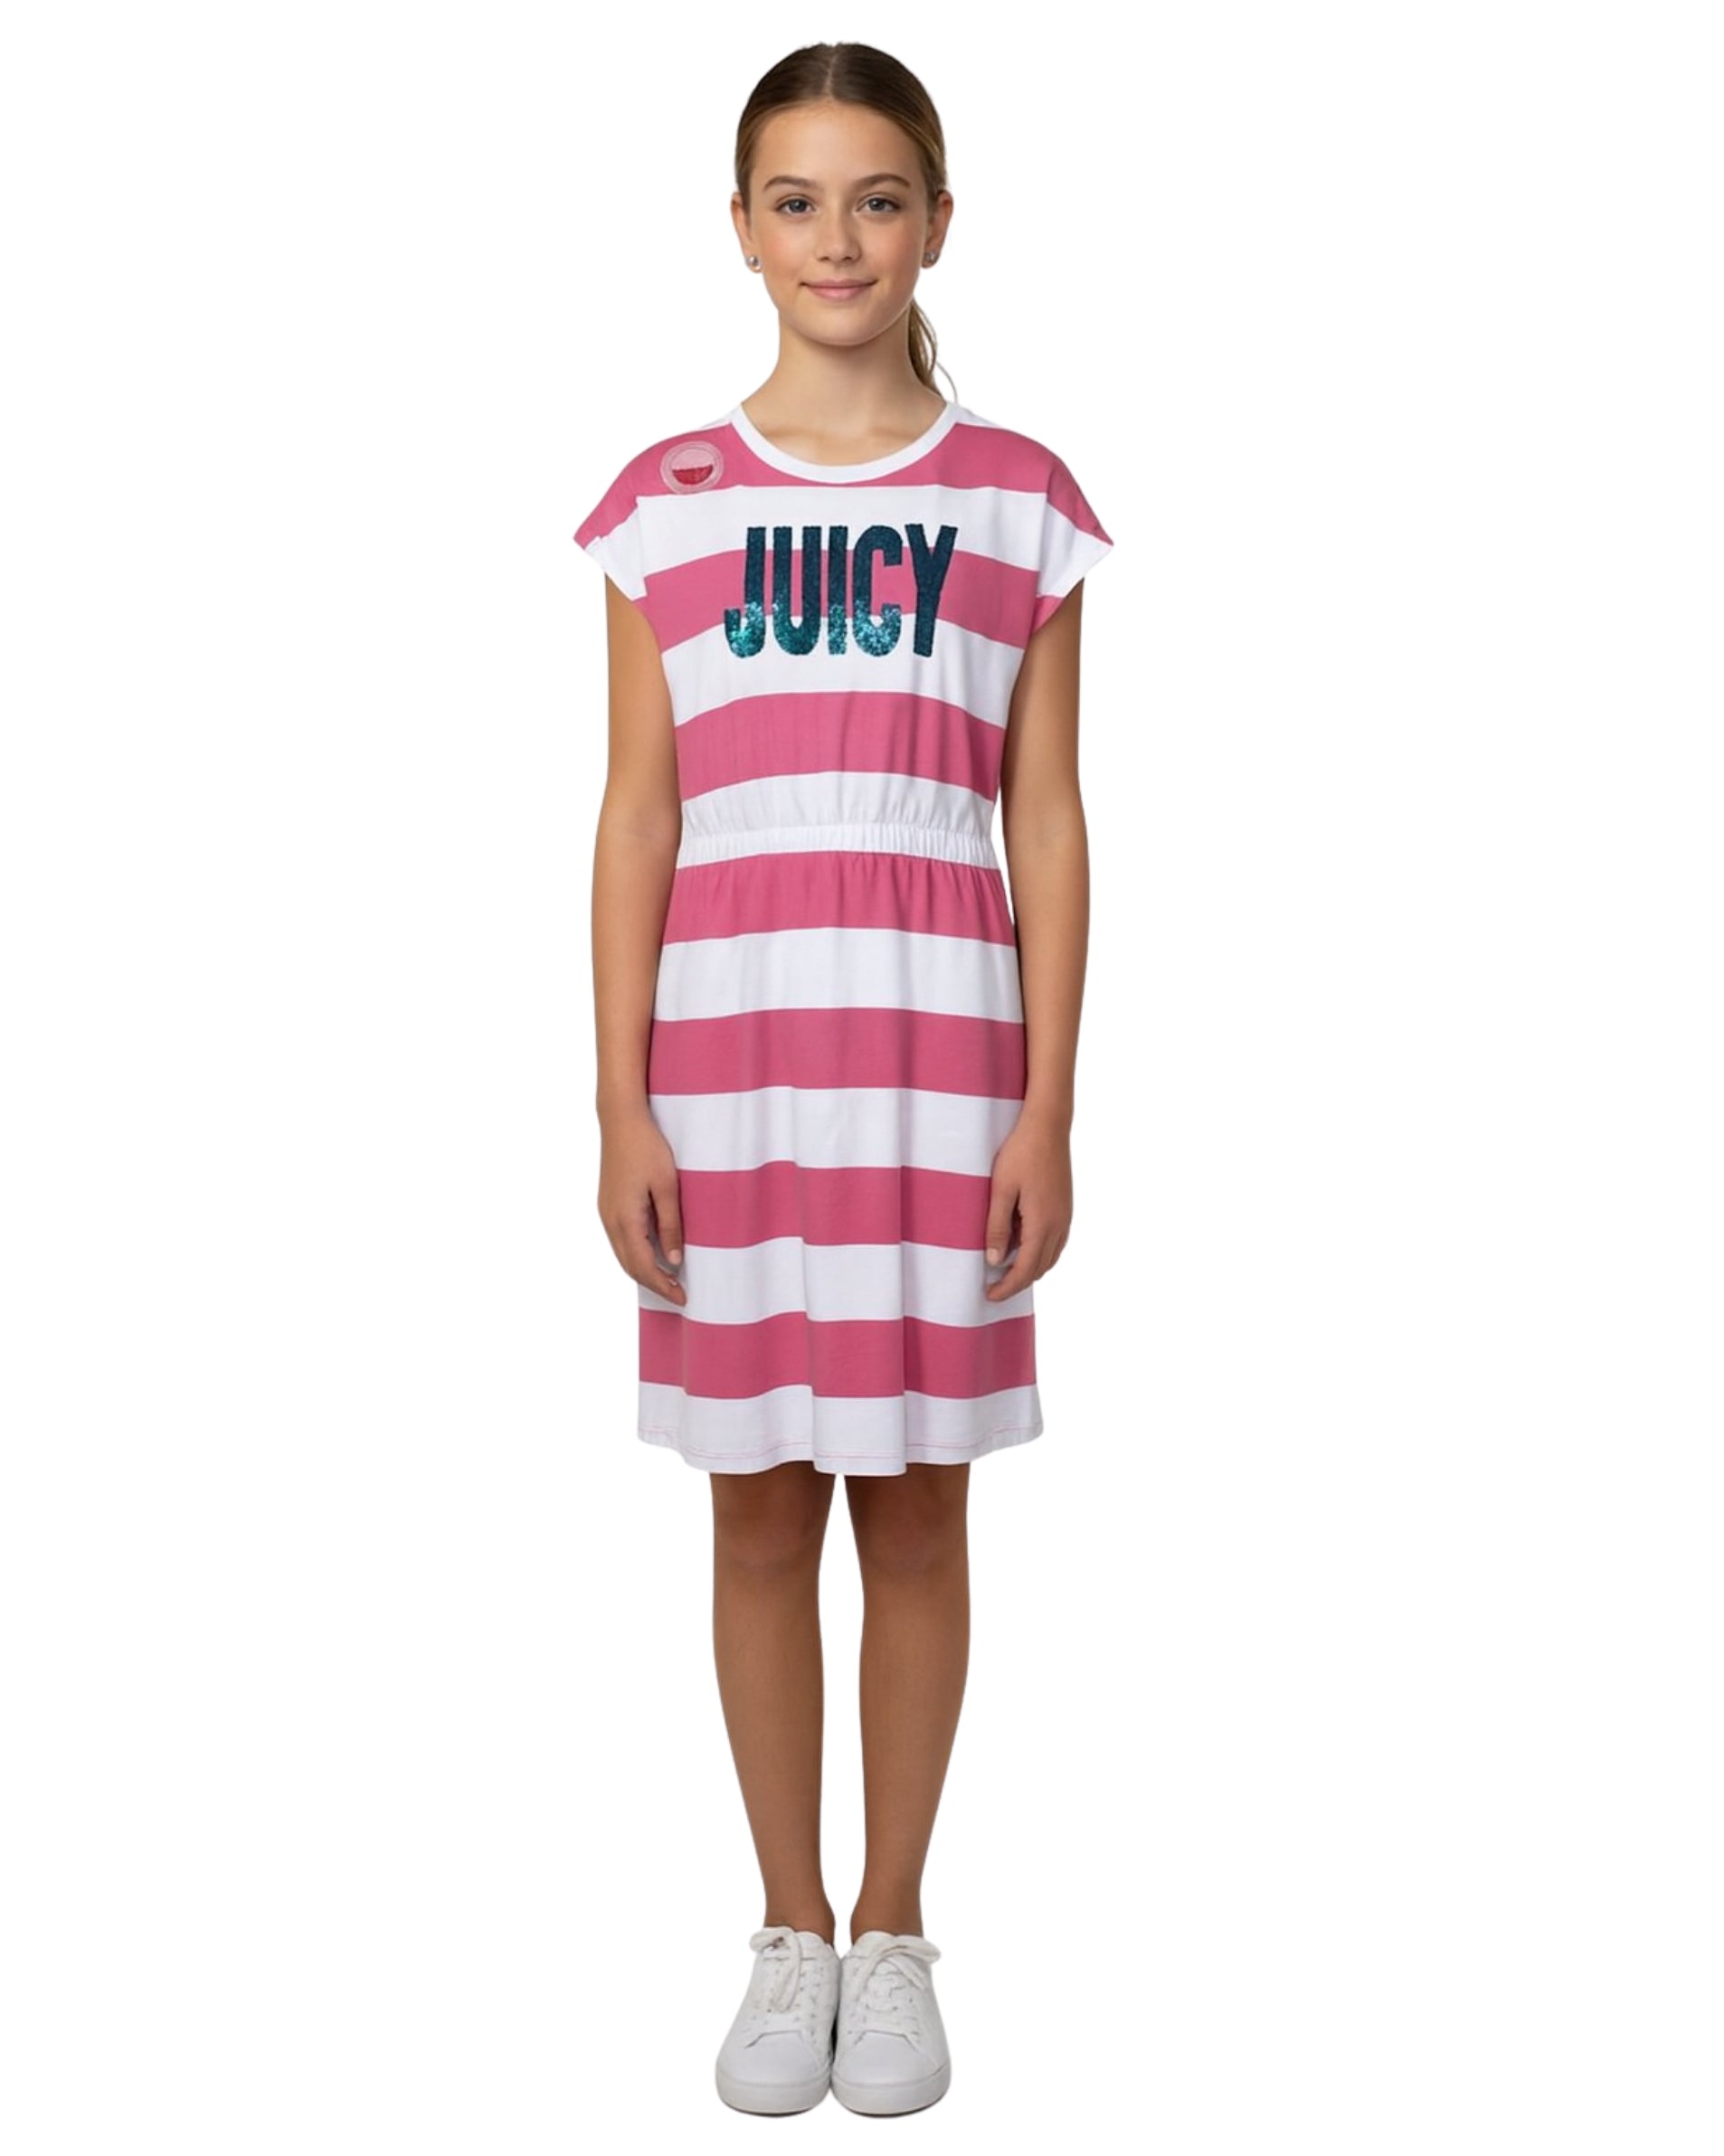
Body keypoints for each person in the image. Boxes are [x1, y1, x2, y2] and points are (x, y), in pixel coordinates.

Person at [573, 40, 1112, 2119]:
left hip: (939, 1060)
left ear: (936, 223)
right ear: (738, 228)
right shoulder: (664, 502)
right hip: (725, 1068)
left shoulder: (1016, 499)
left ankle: (893, 1927)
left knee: (913, 1506)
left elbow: (1043, 815)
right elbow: (636, 813)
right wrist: (617, 1101)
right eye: (794, 201)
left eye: (875, 198)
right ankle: (782, 1923)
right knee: (751, 1510)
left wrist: (1046, 1106)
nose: (836, 239)